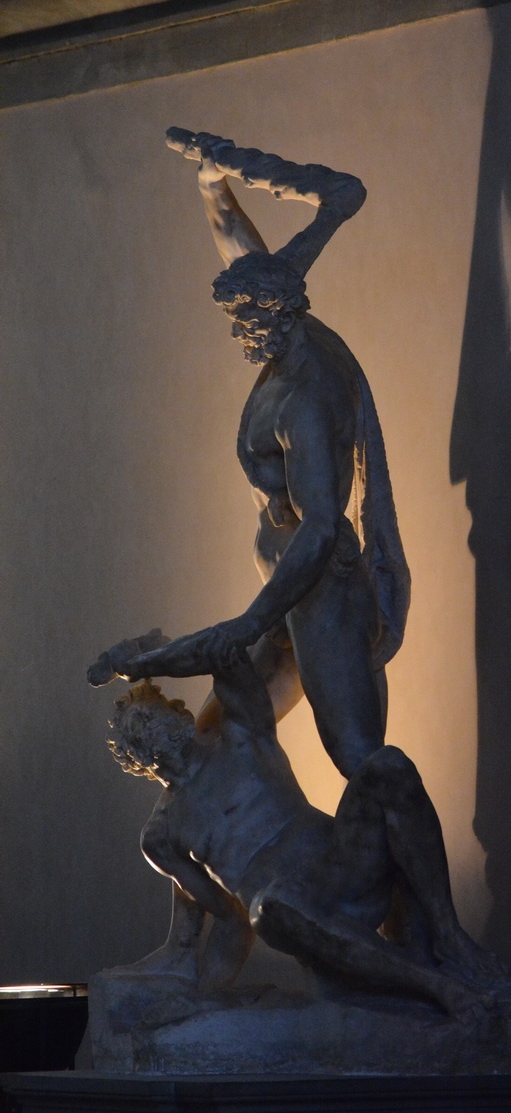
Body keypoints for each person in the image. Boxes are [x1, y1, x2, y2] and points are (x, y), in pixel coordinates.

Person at [92, 128, 410, 782]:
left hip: (318, 599)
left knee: (361, 761)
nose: (239, 334)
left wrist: (249, 623)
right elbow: (251, 257)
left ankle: (405, 853)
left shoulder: (306, 401)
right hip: (286, 599)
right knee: (211, 747)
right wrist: (215, 188)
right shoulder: (286, 325)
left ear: (278, 315)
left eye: (246, 322)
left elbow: (319, 528)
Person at [106, 648, 511, 1021]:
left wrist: (146, 660)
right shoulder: (162, 835)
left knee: (386, 766)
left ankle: (449, 934)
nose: (147, 727)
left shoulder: (239, 736)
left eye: (151, 713)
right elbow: (231, 921)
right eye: (135, 730)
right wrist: (205, 998)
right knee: (268, 906)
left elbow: (227, 653)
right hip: (288, 911)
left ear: (179, 714)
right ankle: (438, 988)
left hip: (343, 864)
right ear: (134, 760)